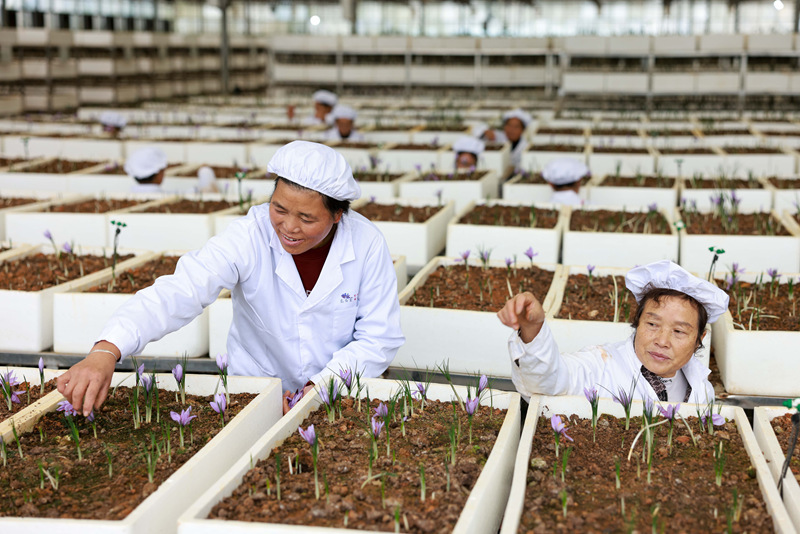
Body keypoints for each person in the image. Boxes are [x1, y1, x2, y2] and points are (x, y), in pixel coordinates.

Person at [56, 141, 405, 417]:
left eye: (307, 217)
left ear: (338, 215)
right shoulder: (249, 235)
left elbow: (378, 337)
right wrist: (107, 348)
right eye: (279, 209)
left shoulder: (366, 244)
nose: (289, 227)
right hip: (255, 389)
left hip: (339, 394)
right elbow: (183, 289)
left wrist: (319, 388)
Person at [497, 260, 728, 404]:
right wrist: (533, 329)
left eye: (679, 331)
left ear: (700, 339)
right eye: (652, 325)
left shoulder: (701, 390)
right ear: (637, 323)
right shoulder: (600, 365)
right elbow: (549, 381)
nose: (662, 341)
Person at [502, 108, 532, 178]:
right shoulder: (499, 141)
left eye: (516, 127)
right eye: (509, 125)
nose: (511, 130)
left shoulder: (526, 147)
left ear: (523, 130)